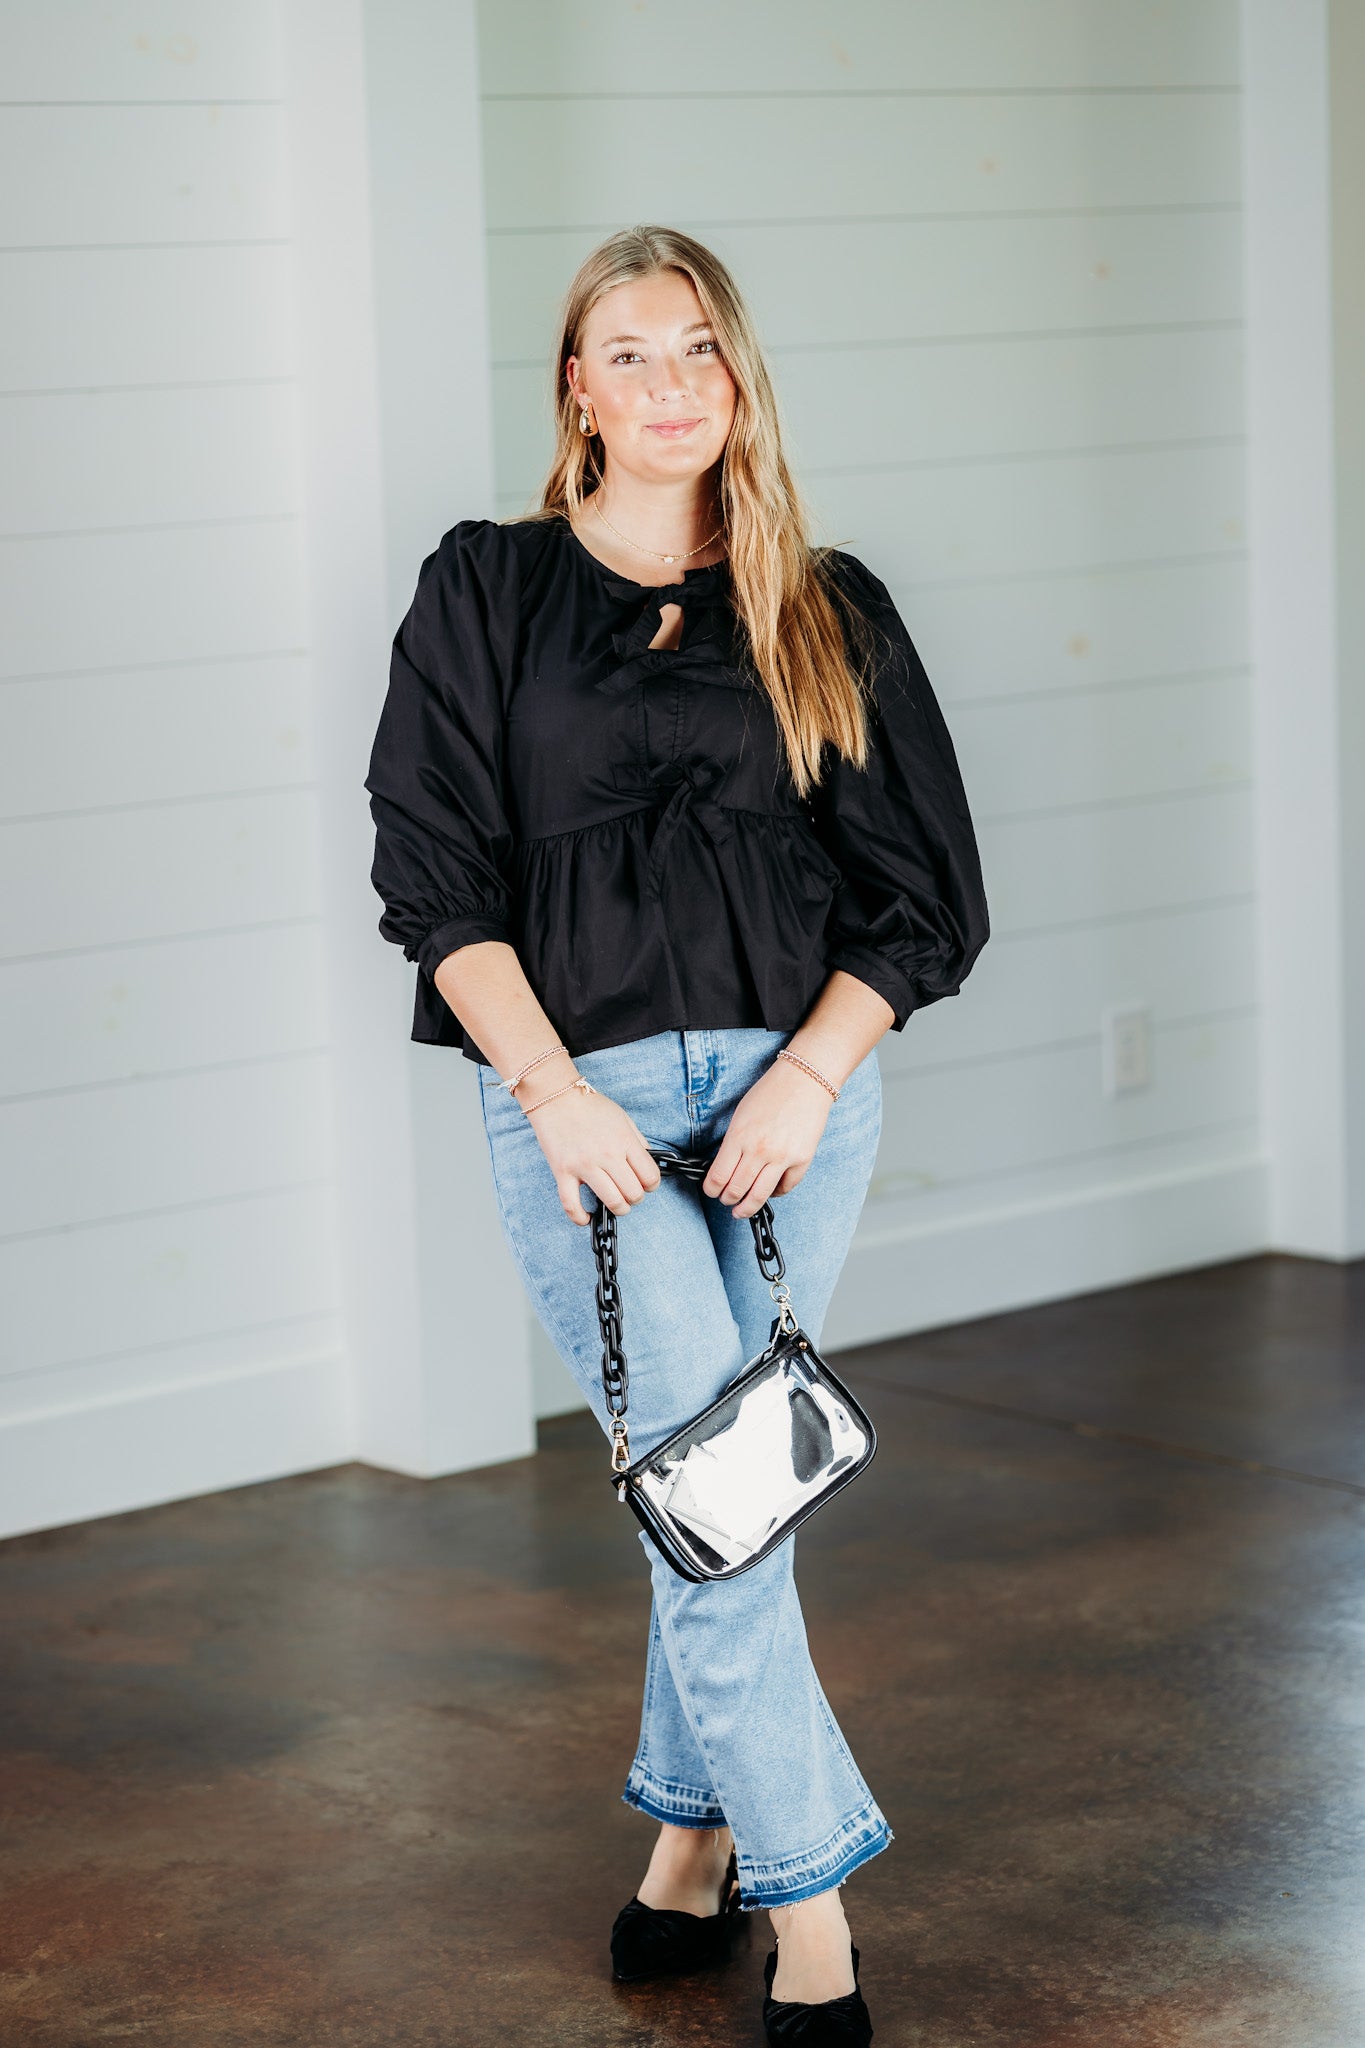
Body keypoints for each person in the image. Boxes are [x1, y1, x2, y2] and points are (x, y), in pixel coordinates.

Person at [364, 224, 989, 2044]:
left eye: (698, 348)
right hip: (589, 1114)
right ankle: (814, 1916)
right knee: (723, 1506)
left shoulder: (825, 601)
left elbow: (923, 893)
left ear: (738, 379)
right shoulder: (484, 591)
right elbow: (432, 873)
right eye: (627, 351)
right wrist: (551, 1093)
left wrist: (808, 1078)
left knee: (719, 1496)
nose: (668, 383)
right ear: (574, 384)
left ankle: (684, 1856)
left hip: (800, 1107)